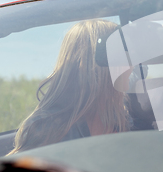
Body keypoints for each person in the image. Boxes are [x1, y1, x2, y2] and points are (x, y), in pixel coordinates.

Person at [9, 19, 132, 154]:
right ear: (97, 66)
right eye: (123, 55)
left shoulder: (117, 114)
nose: (131, 64)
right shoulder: (48, 130)